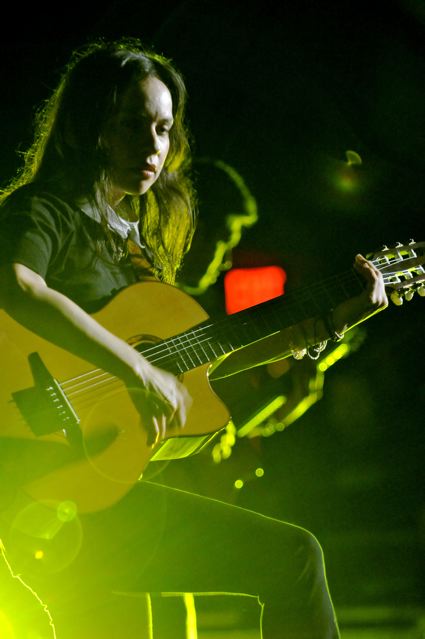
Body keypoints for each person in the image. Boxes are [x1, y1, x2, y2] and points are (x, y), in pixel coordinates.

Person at [0, 37, 388, 638]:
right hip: (40, 476)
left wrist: (331, 322)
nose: (152, 146)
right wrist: (138, 368)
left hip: (95, 488)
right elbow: (17, 282)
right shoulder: (45, 210)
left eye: (163, 129)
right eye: (133, 125)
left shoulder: (129, 244)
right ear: (91, 125)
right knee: (294, 560)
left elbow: (210, 354)